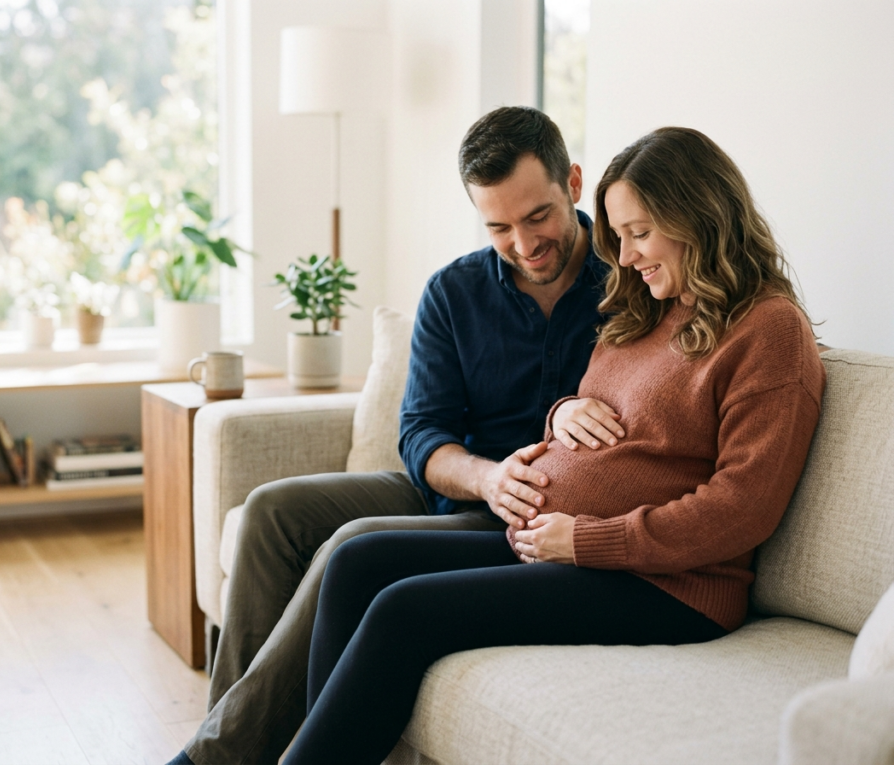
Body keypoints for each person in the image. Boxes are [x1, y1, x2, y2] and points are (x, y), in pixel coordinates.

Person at [280, 126, 827, 765]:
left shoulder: (768, 330)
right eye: (619, 237)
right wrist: (563, 413)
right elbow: (613, 428)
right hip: (561, 546)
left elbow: (743, 508)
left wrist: (587, 540)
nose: (623, 257)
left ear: (700, 215)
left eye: (640, 233)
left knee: (404, 610)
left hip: (669, 585)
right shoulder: (648, 308)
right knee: (356, 563)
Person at [172, 106, 610, 765]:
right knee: (271, 511)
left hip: (529, 515)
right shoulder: (453, 293)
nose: (523, 243)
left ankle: (212, 759)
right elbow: (423, 432)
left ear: (573, 183)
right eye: (498, 226)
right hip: (461, 488)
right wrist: (485, 476)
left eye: (537, 216)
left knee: (353, 544)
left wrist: (512, 487)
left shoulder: (628, 285)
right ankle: (235, 738)